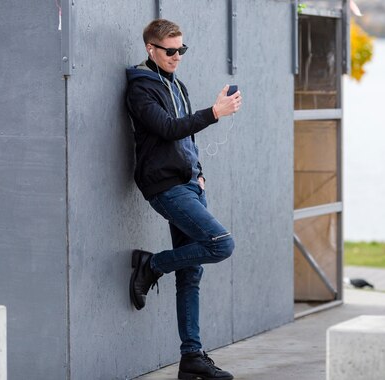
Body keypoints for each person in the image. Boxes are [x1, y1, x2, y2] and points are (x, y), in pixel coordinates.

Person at [125, 19, 242, 380]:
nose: (177, 57)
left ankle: (191, 358)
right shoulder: (140, 89)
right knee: (221, 244)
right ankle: (153, 265)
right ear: (151, 49)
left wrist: (200, 170)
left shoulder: (178, 86)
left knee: (191, 273)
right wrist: (214, 113)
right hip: (164, 186)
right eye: (170, 51)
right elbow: (167, 129)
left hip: (190, 184)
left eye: (181, 50)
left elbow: (185, 140)